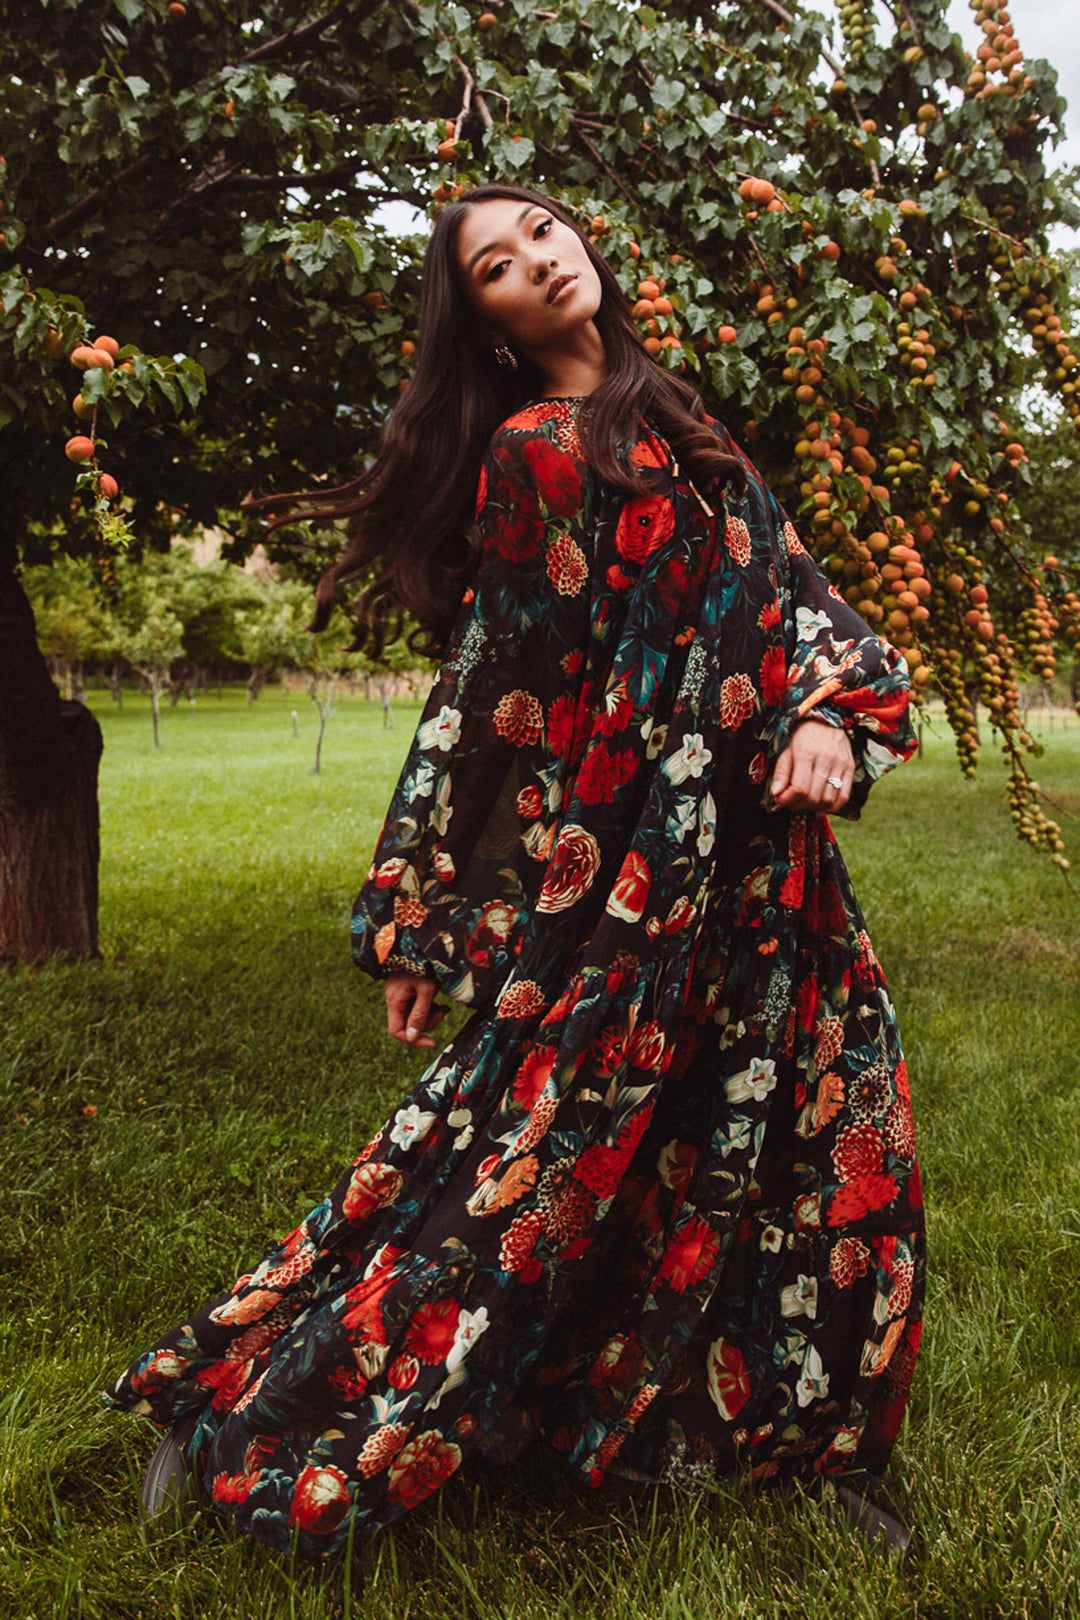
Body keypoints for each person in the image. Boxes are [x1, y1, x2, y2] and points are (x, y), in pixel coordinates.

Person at [106, 184, 924, 1559]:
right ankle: (252, 1410)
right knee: (524, 1171)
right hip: (626, 883)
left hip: (770, 876)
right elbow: (495, 696)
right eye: (497, 264)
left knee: (822, 1146)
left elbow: (798, 599)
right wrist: (424, 916)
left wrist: (832, 714)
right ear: (480, 321)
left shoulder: (685, 416)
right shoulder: (538, 455)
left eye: (543, 230)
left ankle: (779, 1441)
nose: (539, 263)